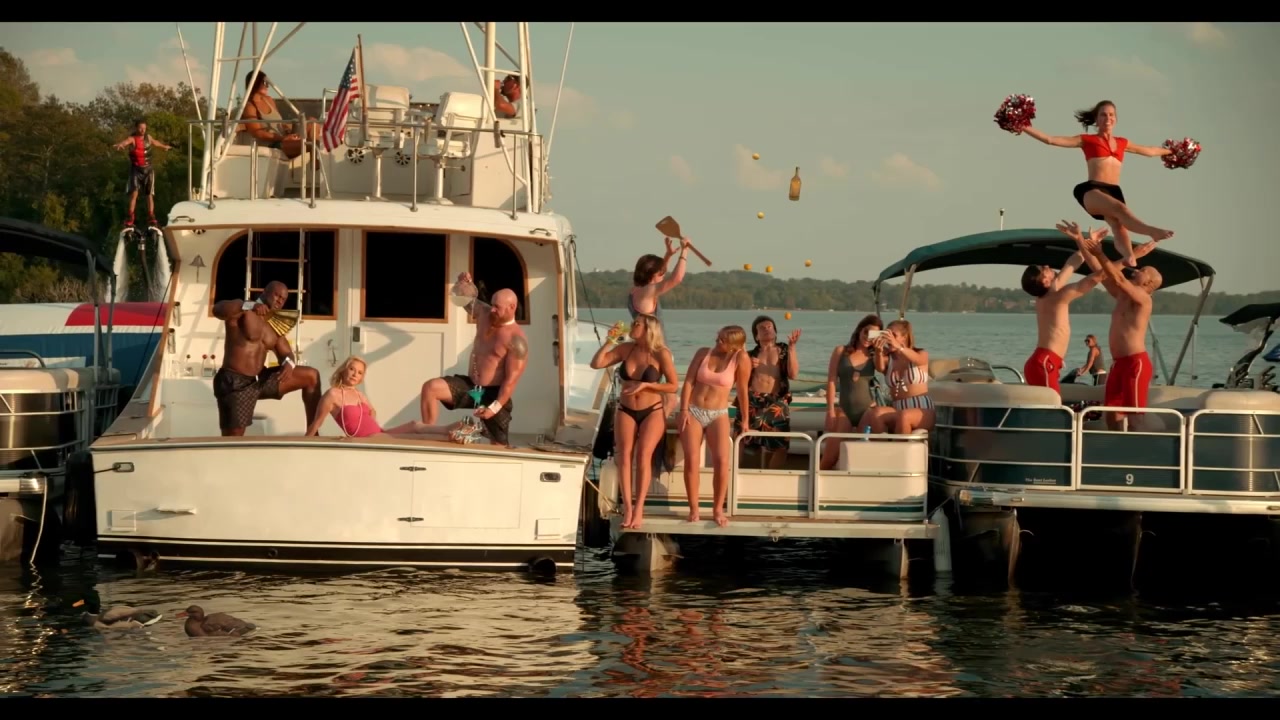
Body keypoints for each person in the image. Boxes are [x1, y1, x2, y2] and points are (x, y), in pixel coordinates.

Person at [1018, 99, 1175, 267]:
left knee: (1118, 226)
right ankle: (1152, 231)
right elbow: (1050, 140)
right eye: (1103, 115)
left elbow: (1150, 151)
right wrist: (1022, 125)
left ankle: (1129, 257)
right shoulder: (1087, 140)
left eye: (1111, 115)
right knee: (1121, 209)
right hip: (1092, 190)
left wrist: (1172, 151)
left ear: (1116, 118)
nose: (1108, 118)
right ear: (1097, 119)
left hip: (1113, 191)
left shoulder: (1123, 143)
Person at [589, 312, 679, 529]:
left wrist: (647, 385)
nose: (632, 325)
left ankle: (639, 509)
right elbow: (596, 363)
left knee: (643, 456)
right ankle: (628, 508)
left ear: (649, 329)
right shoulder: (626, 349)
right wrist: (609, 341)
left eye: (637, 323)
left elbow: (673, 385)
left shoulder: (661, 353)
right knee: (624, 457)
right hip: (626, 409)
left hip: (652, 410)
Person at [419, 272, 529, 447]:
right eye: (492, 304)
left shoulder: (517, 341)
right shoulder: (485, 313)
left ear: (512, 307)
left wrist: (494, 408)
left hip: (494, 394)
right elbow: (465, 301)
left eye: (497, 307)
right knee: (430, 388)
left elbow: (510, 382)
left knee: (499, 447)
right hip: (471, 386)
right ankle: (428, 435)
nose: (492, 309)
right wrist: (463, 285)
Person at [1070, 227, 1164, 431]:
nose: (1136, 270)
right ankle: (1116, 446)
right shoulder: (1122, 296)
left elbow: (1119, 279)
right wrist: (1082, 242)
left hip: (1135, 364)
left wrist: (1101, 253)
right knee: (1111, 416)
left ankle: (1144, 448)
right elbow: (1099, 271)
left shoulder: (1144, 299)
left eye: (1142, 271)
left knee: (1136, 419)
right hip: (1118, 364)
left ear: (1149, 282)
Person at [211, 280, 322, 436]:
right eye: (277, 295)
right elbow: (217, 309)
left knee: (311, 376)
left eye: (283, 299)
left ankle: (313, 434)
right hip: (235, 381)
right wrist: (250, 305)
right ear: (265, 292)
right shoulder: (243, 309)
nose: (280, 301)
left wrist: (288, 364)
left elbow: (286, 353)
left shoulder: (273, 324)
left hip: (261, 380)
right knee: (233, 439)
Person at [1019, 223, 1110, 392]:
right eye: (1043, 269)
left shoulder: (1048, 295)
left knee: (1050, 405)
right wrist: (1127, 260)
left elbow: (1072, 263)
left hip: (1043, 362)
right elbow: (1096, 277)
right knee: (1053, 405)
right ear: (1045, 281)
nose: (1047, 265)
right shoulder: (1057, 298)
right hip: (1045, 362)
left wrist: (1087, 241)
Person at [678, 325, 751, 527]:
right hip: (694, 410)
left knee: (721, 461)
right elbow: (689, 382)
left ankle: (717, 509)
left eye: (722, 340)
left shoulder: (741, 359)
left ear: (734, 345)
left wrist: (745, 419)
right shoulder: (703, 353)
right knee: (692, 460)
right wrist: (683, 410)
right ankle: (694, 508)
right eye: (718, 338)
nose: (717, 342)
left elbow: (743, 390)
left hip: (718, 413)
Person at [306, 356, 462, 438]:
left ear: (361, 378)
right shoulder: (333, 394)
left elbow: (372, 411)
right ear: (343, 370)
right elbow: (317, 422)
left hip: (379, 432)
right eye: (352, 369)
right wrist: (303, 444)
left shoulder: (360, 395)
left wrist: (370, 419)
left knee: (414, 424)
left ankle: (449, 430)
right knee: (416, 437)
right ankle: (451, 434)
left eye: (359, 373)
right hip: (368, 438)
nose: (355, 374)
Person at [819, 314, 882, 471]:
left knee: (861, 460)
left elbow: (883, 368)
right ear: (859, 329)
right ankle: (817, 485)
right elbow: (831, 381)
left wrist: (880, 348)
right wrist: (830, 411)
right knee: (828, 459)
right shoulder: (840, 351)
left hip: (867, 410)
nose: (868, 337)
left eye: (873, 334)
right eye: (866, 331)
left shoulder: (876, 356)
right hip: (844, 410)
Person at [744, 315, 800, 469]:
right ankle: (740, 476)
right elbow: (737, 380)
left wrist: (792, 347)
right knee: (745, 442)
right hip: (753, 401)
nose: (766, 329)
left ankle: (770, 475)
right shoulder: (749, 355)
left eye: (770, 327)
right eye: (762, 328)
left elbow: (793, 374)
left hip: (777, 402)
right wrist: (747, 366)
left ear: (775, 332)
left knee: (781, 445)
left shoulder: (784, 350)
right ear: (756, 336)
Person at [862, 320, 935, 435]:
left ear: (904, 337)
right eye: (887, 335)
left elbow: (919, 360)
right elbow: (879, 367)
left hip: (922, 409)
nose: (889, 339)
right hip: (898, 409)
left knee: (904, 416)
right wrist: (878, 351)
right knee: (876, 413)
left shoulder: (921, 354)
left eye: (893, 335)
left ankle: (901, 446)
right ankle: (883, 443)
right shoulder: (888, 359)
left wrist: (898, 347)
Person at [237, 70, 318, 160]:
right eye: (265, 82)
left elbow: (279, 122)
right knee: (312, 145)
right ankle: (316, 162)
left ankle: (315, 157)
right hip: (273, 144)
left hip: (283, 138)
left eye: (268, 83)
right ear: (255, 83)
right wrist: (283, 138)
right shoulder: (250, 106)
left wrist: (287, 130)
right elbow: (257, 133)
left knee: (312, 122)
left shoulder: (269, 100)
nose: (267, 86)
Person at [112, 119, 172, 228]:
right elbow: (125, 142)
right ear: (136, 128)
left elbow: (155, 142)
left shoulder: (148, 137)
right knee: (134, 194)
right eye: (140, 128)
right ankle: (130, 217)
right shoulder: (132, 139)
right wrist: (120, 145)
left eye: (144, 128)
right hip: (136, 170)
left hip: (148, 170)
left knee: (149, 194)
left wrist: (164, 147)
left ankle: (151, 216)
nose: (143, 130)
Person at [628, 236, 691, 323]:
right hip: (651, 332)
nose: (663, 275)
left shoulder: (637, 289)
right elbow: (677, 278)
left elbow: (659, 273)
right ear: (653, 274)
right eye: (660, 273)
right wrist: (684, 251)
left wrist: (668, 254)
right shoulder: (647, 291)